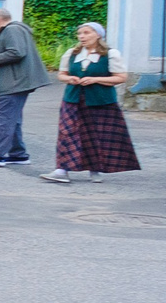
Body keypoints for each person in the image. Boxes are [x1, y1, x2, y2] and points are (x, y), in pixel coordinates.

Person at [46, 22, 141, 183]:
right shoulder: (72, 53)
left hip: (101, 101)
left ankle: (95, 169)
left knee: (96, 135)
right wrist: (69, 78)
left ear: (98, 35)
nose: (82, 36)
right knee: (67, 132)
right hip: (72, 99)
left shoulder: (110, 54)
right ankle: (62, 170)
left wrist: (96, 79)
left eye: (86, 33)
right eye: (80, 33)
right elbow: (61, 74)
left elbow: (121, 77)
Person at [0, 8, 51, 166]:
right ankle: (18, 154)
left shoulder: (12, 30)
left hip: (14, 82)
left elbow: (16, 52)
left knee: (1, 118)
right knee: (12, 118)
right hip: (14, 81)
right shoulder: (14, 30)